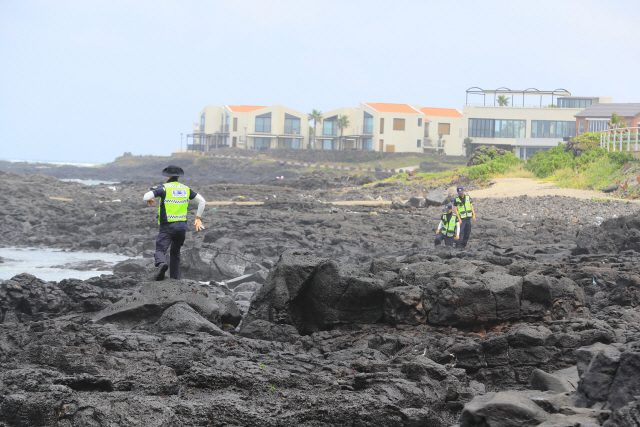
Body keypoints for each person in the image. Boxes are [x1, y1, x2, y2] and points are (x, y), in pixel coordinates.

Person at [143, 165, 206, 281]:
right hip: (182, 226)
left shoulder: (163, 188)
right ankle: (175, 279)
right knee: (176, 253)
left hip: (167, 225)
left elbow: (146, 196)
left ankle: (161, 264)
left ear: (167, 176)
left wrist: (149, 198)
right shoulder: (186, 189)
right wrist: (197, 218)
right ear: (178, 176)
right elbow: (202, 201)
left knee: (160, 250)